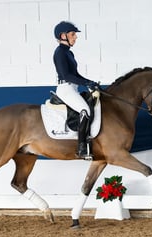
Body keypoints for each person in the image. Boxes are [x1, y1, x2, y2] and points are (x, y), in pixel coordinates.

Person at [53, 21, 100, 160]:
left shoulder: (69, 53)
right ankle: (82, 148)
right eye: (72, 34)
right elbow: (66, 75)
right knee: (85, 110)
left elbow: (75, 75)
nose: (75, 37)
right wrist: (86, 83)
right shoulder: (60, 52)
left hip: (72, 87)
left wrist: (90, 82)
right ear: (63, 35)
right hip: (65, 89)